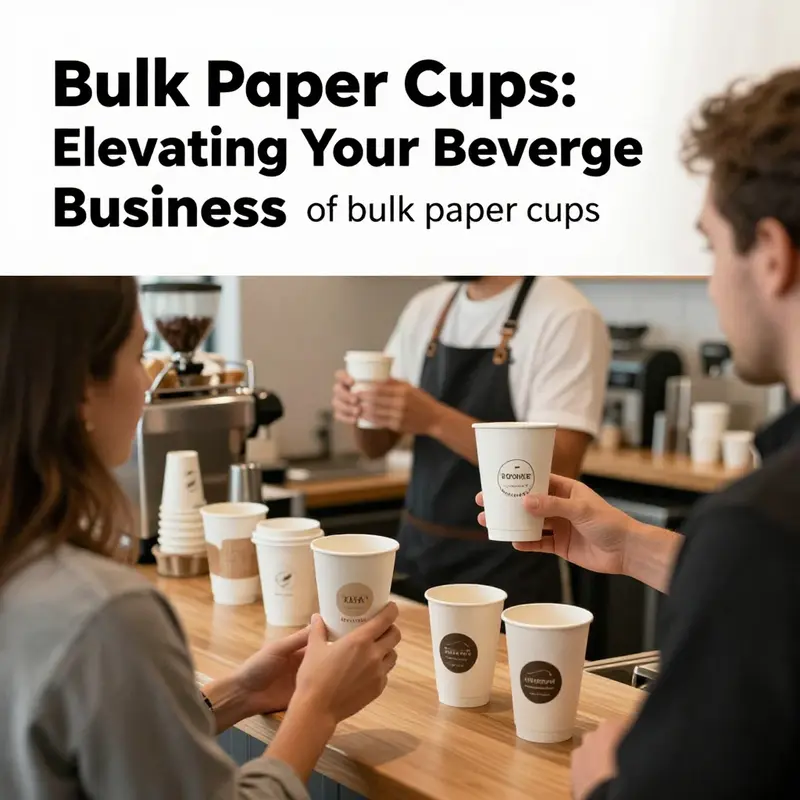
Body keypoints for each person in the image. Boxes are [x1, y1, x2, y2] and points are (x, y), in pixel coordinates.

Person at [479, 67, 800, 799]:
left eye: (712, 248)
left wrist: (604, 779)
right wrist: (633, 546)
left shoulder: (759, 525)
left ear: (771, 254)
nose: (713, 283)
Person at [0, 278, 401, 800]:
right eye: (139, 357)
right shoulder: (108, 614)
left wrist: (240, 692)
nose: (149, 386)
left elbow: (108, 753)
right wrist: (317, 707)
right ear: (82, 391)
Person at [332, 276, 611, 608]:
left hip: (509, 565)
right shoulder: (426, 308)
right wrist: (360, 407)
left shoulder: (566, 315)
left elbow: (561, 463)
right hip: (420, 556)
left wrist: (434, 419)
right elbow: (374, 447)